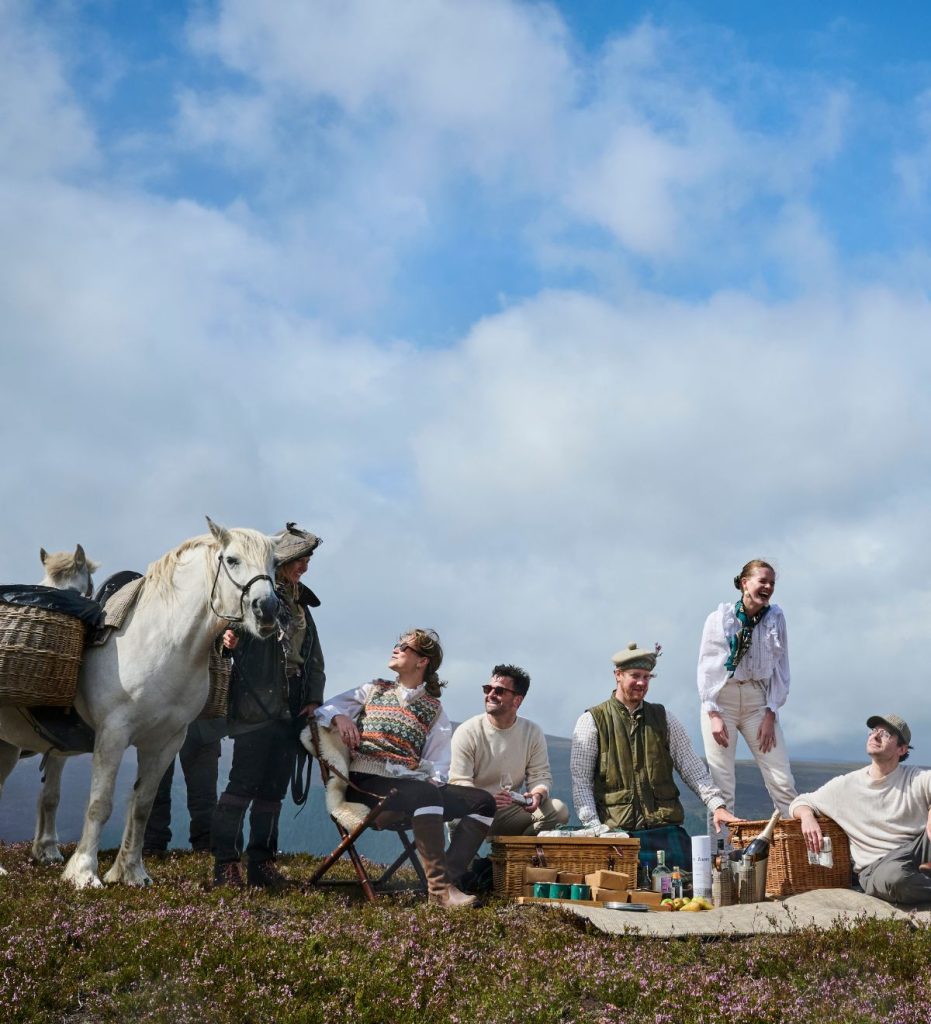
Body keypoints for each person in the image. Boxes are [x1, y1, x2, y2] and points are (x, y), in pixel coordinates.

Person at [315, 629, 495, 909]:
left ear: (422, 661)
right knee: (426, 794)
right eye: (397, 644)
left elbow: (439, 761)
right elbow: (324, 709)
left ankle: (449, 879)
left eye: (404, 647)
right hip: (366, 785)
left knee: (483, 802)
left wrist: (434, 783)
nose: (396, 649)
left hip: (410, 786)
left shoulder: (434, 710)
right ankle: (440, 892)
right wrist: (340, 716)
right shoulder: (372, 690)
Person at [210, 523, 325, 889]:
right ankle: (226, 864)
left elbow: (314, 658)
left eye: (307, 560)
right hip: (255, 703)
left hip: (291, 706)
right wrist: (226, 642)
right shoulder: (257, 593)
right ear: (284, 559)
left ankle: (262, 863)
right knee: (242, 784)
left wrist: (312, 700)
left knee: (273, 789)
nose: (304, 566)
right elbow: (227, 635)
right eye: (300, 559)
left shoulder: (302, 603)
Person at [570, 642, 738, 870]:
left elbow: (693, 768)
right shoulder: (591, 721)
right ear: (618, 675)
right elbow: (581, 783)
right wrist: (595, 830)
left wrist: (717, 805)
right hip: (618, 836)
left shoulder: (664, 718)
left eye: (647, 677)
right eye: (635, 676)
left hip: (665, 831)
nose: (642, 683)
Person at [791, 714, 931, 905]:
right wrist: (807, 816)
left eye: (885, 733)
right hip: (878, 866)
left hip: (917, 848)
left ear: (902, 749)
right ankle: (921, 877)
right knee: (896, 879)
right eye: (873, 731)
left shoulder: (917, 778)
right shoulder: (846, 785)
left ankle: (922, 873)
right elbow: (801, 801)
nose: (875, 736)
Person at [697, 559, 797, 828]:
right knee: (722, 786)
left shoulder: (775, 618)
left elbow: (781, 667)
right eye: (762, 581)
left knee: (782, 780)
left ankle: (796, 851)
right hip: (722, 699)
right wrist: (713, 712)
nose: (768, 587)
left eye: (772, 583)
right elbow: (707, 666)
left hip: (758, 700)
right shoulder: (721, 618)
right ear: (745, 584)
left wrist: (771, 712)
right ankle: (720, 859)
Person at [449, 663, 569, 837]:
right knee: (454, 816)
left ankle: (515, 858)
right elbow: (459, 781)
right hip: (472, 810)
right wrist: (486, 800)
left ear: (517, 700)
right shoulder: (467, 731)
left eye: (498, 691)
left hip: (509, 811)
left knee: (559, 811)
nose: (490, 695)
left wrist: (537, 795)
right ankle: (466, 863)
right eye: (487, 689)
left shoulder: (532, 732)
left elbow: (540, 775)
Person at [143, 721, 221, 855]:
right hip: (201, 720)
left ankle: (153, 844)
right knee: (155, 789)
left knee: (203, 790)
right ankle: (205, 844)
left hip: (169, 720)